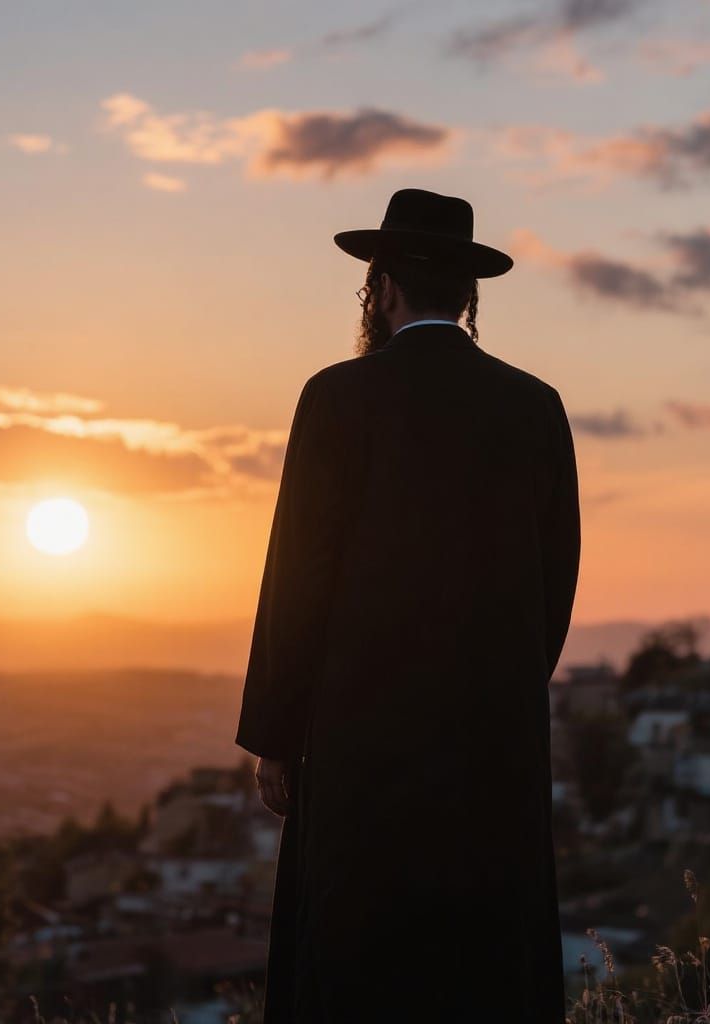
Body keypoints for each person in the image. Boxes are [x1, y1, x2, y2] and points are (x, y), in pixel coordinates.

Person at [235, 187, 581, 1023]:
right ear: (468, 296)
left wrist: (276, 735)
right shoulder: (535, 406)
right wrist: (503, 685)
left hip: (364, 743)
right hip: (493, 745)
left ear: (380, 288)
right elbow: (556, 580)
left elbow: (297, 576)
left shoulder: (337, 398)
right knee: (482, 963)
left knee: (361, 957)